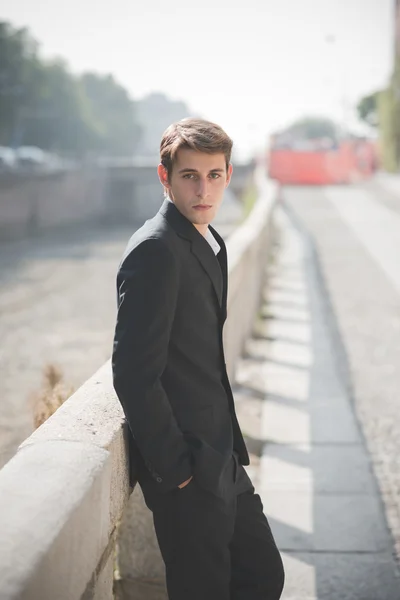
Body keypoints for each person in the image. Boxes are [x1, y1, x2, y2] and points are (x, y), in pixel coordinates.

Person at [112, 118, 285, 600]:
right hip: (189, 470)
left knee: (263, 575)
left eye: (213, 175)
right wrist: (179, 471)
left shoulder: (208, 239)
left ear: (229, 175)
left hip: (221, 457)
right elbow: (133, 373)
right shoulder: (155, 252)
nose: (203, 189)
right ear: (165, 177)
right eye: (190, 175)